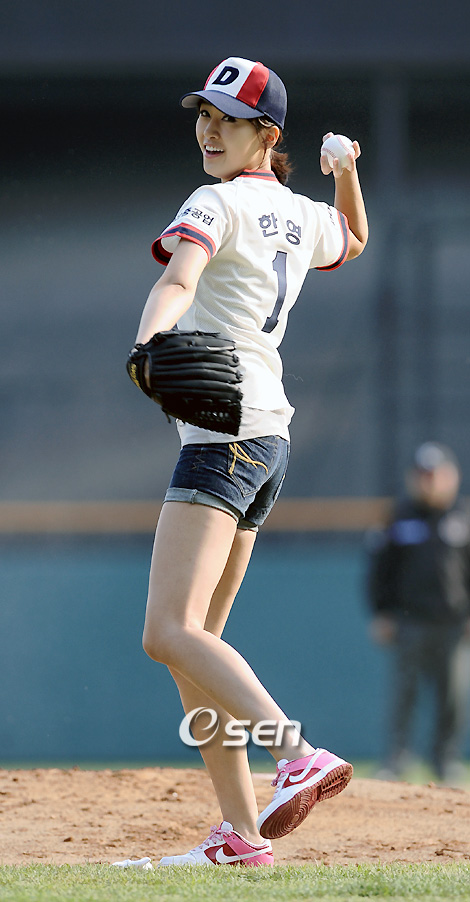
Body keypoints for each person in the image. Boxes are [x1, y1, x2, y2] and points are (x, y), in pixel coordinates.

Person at [131, 57, 368, 867]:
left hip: (222, 436)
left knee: (166, 632)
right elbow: (354, 239)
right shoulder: (300, 213)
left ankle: (295, 752)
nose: (208, 129)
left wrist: (148, 340)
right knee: (196, 648)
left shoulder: (216, 202)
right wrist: (347, 172)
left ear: (266, 135)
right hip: (268, 439)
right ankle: (240, 834)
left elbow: (179, 278)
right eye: (203, 114)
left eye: (227, 119)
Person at [367, 441, 470, 783]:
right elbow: (380, 570)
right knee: (405, 694)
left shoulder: (463, 517)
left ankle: (445, 760)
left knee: (452, 697)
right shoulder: (399, 517)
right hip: (409, 622)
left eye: (436, 474)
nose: (430, 482)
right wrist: (382, 612)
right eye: (424, 475)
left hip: (452, 623)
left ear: (451, 476)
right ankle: (397, 759)